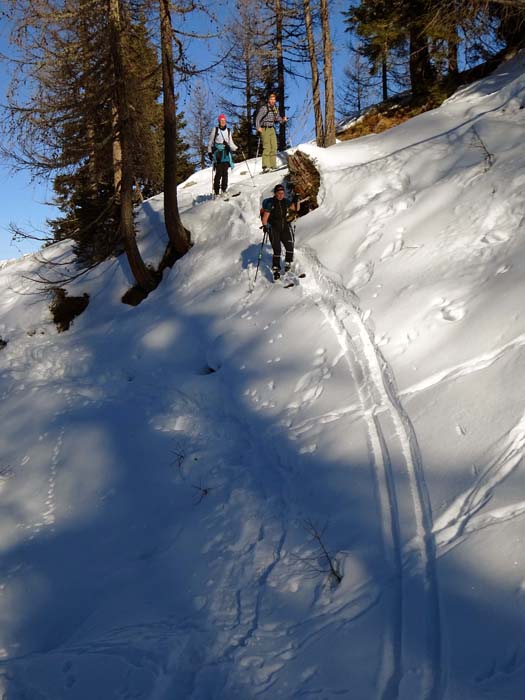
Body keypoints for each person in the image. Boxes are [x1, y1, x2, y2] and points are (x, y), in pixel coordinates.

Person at [261, 183, 300, 280]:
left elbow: (296, 209)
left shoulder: (285, 201)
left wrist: (296, 200)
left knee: (290, 245)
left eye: (282, 193)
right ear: (275, 193)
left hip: (284, 227)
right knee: (277, 249)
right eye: (279, 193)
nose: (281, 195)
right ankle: (276, 268)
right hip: (274, 229)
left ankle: (288, 262)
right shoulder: (271, 203)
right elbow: (265, 217)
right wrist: (265, 226)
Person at [255, 93, 288, 173]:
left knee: (274, 146)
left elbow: (277, 118)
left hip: (271, 128)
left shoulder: (275, 108)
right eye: (271, 99)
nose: (273, 101)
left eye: (274, 99)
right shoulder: (264, 108)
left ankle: (273, 165)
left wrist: (283, 120)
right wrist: (258, 127)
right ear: (268, 100)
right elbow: (258, 118)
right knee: (267, 147)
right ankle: (266, 166)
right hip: (264, 128)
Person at [208, 114, 238, 197]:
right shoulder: (215, 129)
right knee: (219, 173)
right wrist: (210, 152)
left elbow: (230, 143)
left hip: (226, 154)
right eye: (221, 121)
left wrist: (237, 148)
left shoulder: (228, 130)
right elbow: (210, 142)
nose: (223, 122)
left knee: (225, 173)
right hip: (218, 154)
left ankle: (224, 190)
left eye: (224, 121)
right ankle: (216, 192)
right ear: (219, 121)